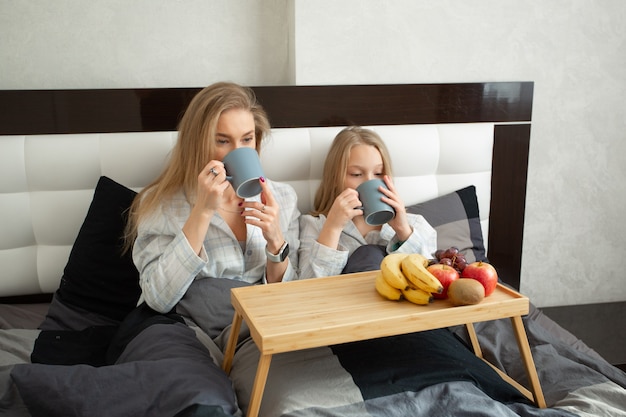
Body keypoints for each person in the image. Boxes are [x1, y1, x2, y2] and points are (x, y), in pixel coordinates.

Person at [125, 81, 300, 314]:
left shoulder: (283, 198)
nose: (237, 152)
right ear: (198, 144)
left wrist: (276, 243)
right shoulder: (160, 203)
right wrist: (202, 211)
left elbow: (289, 297)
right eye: (223, 141)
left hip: (254, 325)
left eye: (247, 139)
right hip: (184, 327)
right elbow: (158, 299)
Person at [298, 126, 436, 279]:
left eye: (378, 173)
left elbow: (430, 278)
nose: (370, 181)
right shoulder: (315, 226)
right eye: (356, 174)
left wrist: (402, 231)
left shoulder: (415, 225)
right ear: (335, 179)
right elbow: (307, 286)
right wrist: (332, 228)